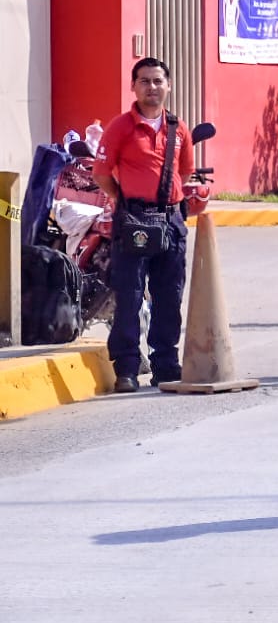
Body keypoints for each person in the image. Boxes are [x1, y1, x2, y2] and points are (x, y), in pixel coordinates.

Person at [93, 58, 196, 393]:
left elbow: (184, 172)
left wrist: (164, 200)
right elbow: (102, 173)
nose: (152, 87)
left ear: (168, 85)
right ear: (133, 87)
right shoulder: (120, 127)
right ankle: (126, 368)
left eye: (158, 81)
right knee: (130, 296)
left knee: (170, 296)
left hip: (170, 222)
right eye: (144, 81)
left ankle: (166, 365)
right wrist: (124, 202)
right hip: (133, 221)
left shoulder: (178, 128)